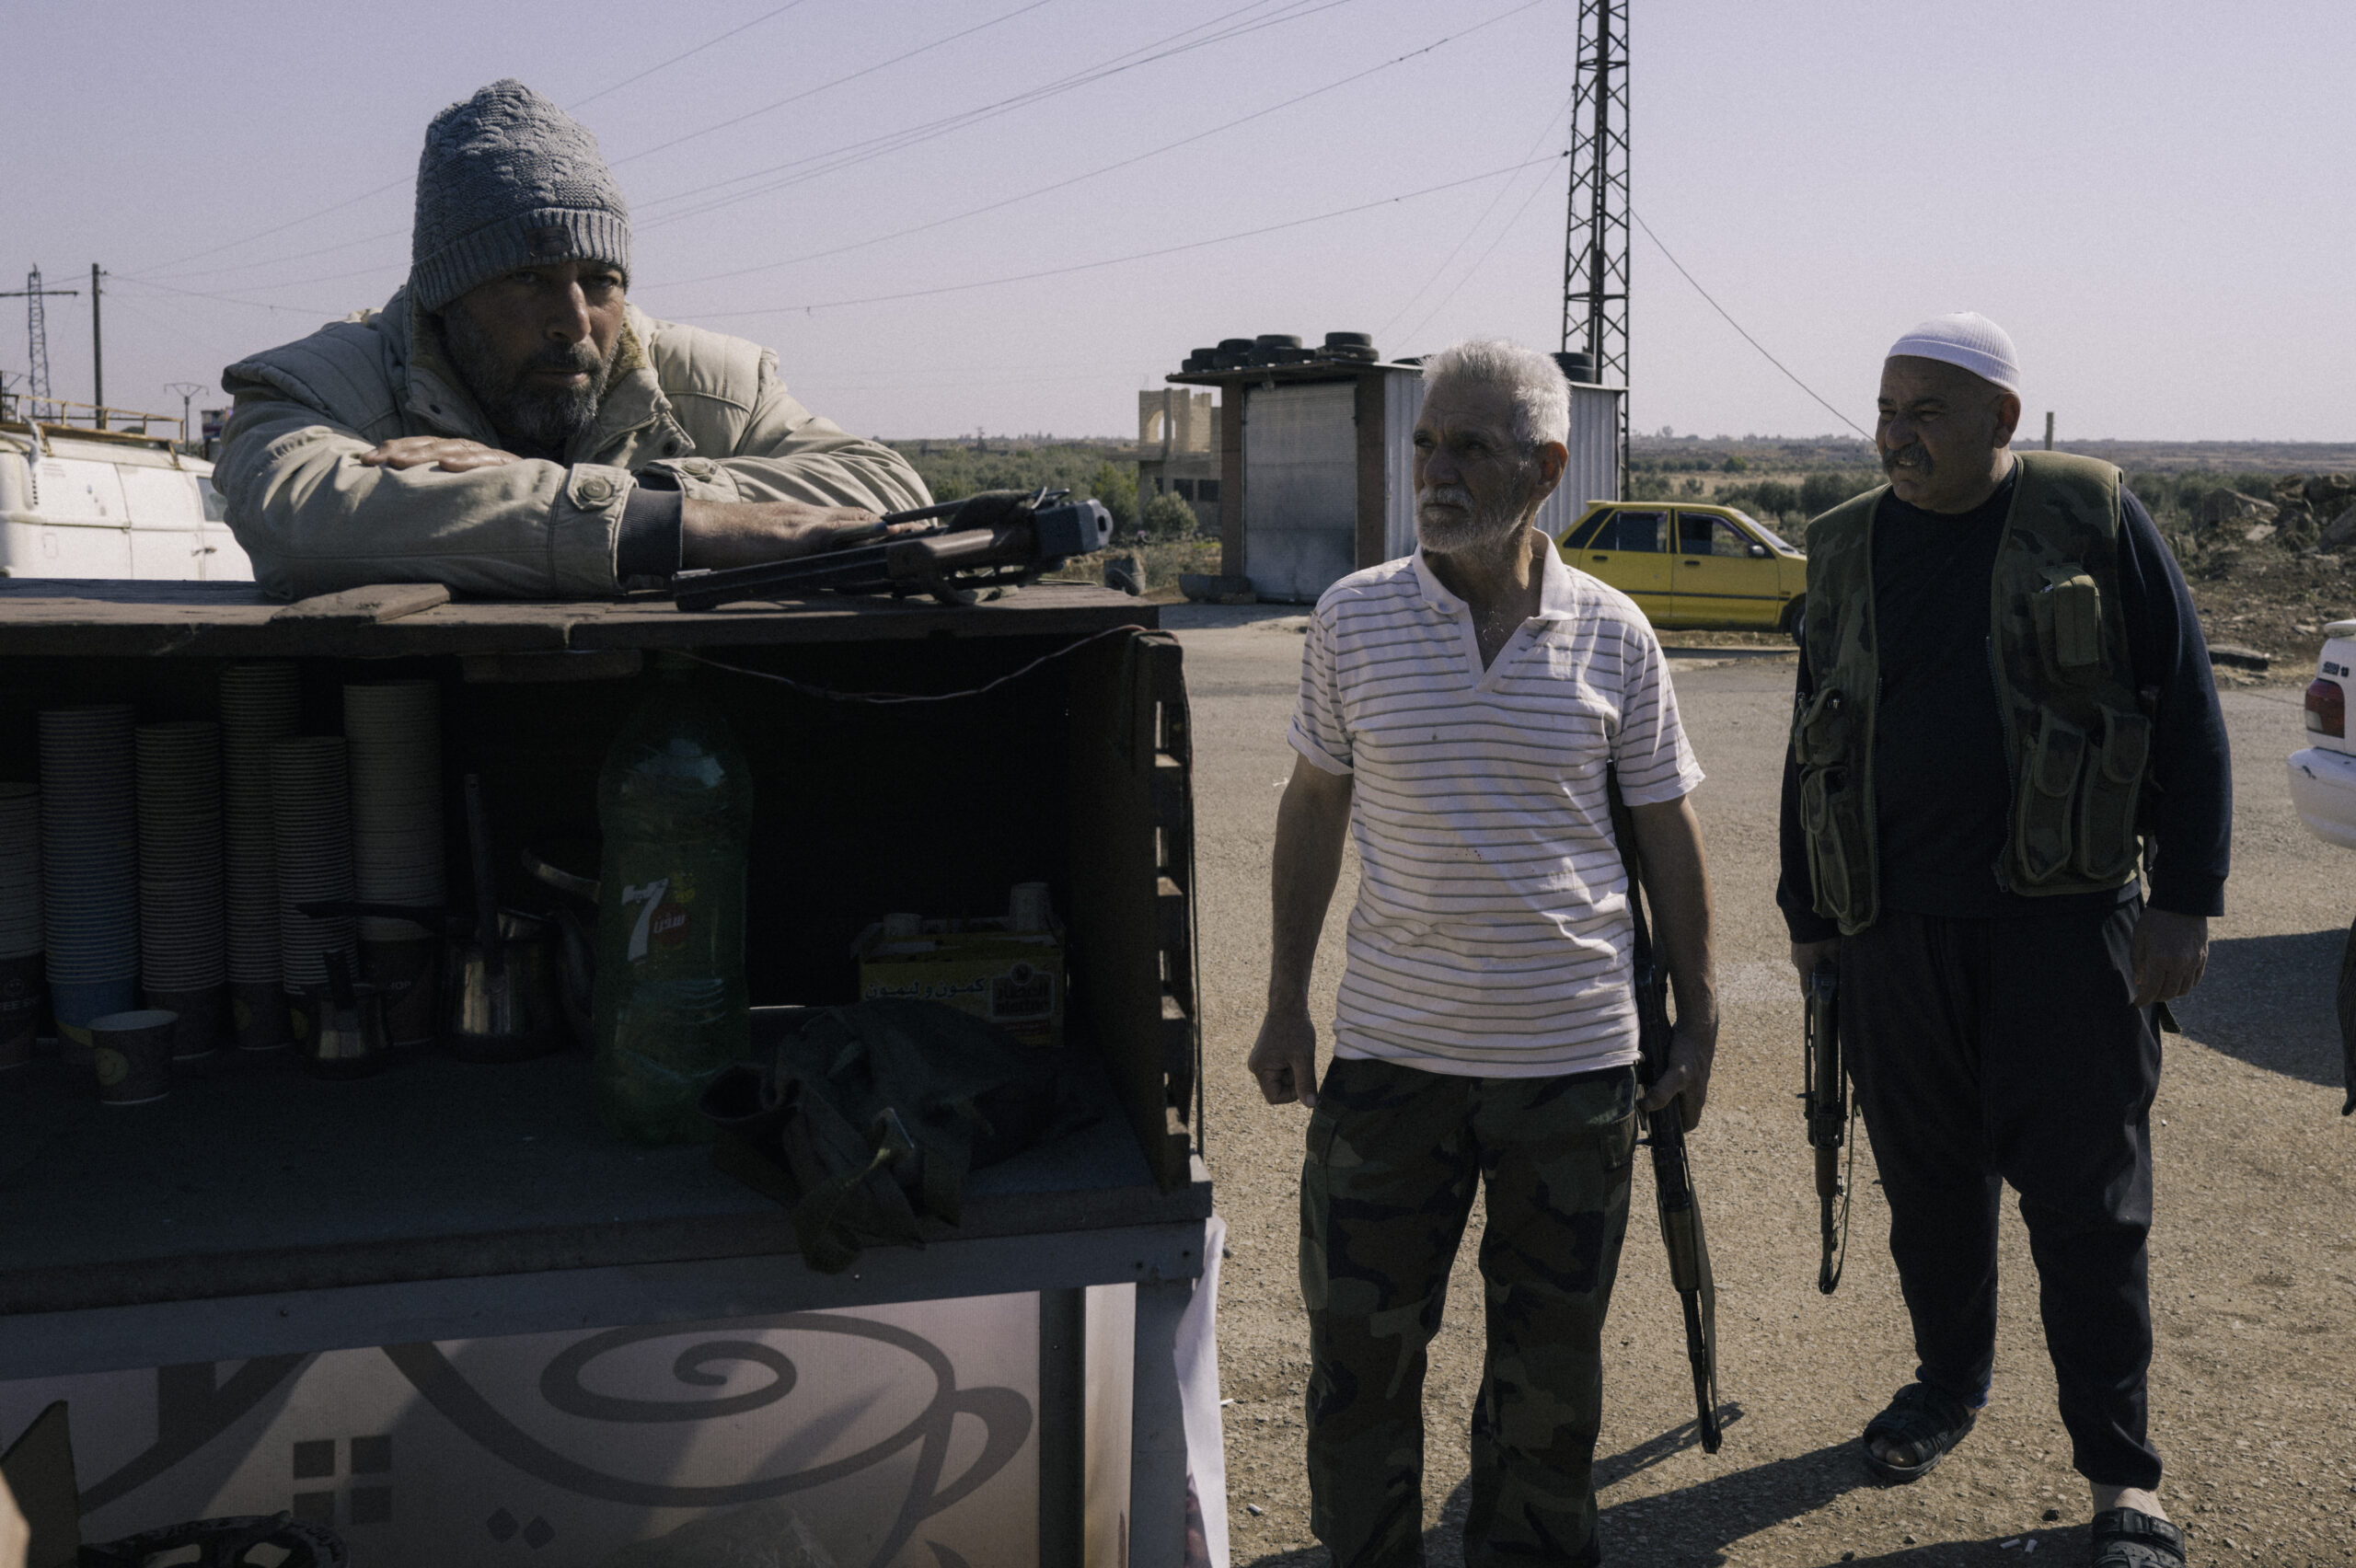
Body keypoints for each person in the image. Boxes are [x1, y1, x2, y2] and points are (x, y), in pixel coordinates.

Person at [1248, 338, 1717, 1567]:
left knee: (1548, 1388)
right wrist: (1286, 1000)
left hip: (1574, 1073)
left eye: (1471, 446)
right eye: (1424, 443)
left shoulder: (1615, 635)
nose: (1436, 471)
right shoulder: (1354, 620)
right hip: (1393, 1068)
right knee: (1359, 1367)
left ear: (1547, 466)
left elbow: (1668, 825)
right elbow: (1313, 805)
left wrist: (1701, 1013)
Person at [1778, 313, 2228, 1568]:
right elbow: (1814, 733)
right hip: (1894, 933)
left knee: (2090, 1209)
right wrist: (1809, 919)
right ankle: (1946, 1385)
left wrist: (2188, 896)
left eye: (1927, 411)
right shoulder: (1851, 545)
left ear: (2002, 425)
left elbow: (2187, 710)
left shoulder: (2092, 520)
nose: (1897, 433)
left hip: (2067, 930)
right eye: (1886, 407)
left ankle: (2122, 1480)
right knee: (1928, 1191)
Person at [216, 79, 930, 600]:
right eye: (527, 279)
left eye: (600, 278)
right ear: (444, 295)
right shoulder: (321, 385)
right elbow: (295, 514)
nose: (575, 320)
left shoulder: (714, 382)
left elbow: (890, 492)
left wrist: (626, 501)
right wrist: (676, 528)